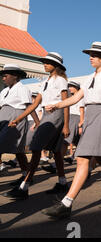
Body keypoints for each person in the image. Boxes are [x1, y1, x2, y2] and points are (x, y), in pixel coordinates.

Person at [40, 42, 101, 219]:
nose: (90, 57)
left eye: (95, 55)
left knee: (82, 158)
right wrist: (57, 105)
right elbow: (75, 98)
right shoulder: (89, 78)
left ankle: (66, 203)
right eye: (90, 54)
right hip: (91, 115)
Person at [4, 53, 70, 199]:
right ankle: (63, 182)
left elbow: (66, 104)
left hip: (56, 114)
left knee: (35, 147)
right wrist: (19, 119)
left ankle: (24, 187)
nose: (44, 64)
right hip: (47, 115)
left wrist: (66, 125)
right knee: (57, 151)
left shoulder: (60, 81)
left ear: (56, 65)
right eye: (44, 62)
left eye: (48, 62)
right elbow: (35, 104)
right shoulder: (46, 81)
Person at [0, 65, 38, 186]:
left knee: (15, 148)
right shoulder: (5, 91)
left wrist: (37, 122)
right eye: (2, 75)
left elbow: (30, 106)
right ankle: (25, 174)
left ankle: (24, 175)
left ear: (15, 76)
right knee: (18, 151)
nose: (3, 78)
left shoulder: (22, 89)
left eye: (6, 75)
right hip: (3, 117)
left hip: (15, 118)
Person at [60, 81, 85, 165]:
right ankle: (77, 158)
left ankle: (57, 163)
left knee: (65, 140)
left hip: (75, 119)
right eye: (69, 86)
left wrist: (81, 124)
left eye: (71, 87)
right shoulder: (72, 97)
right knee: (77, 142)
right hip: (70, 118)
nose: (69, 88)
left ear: (76, 88)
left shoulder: (80, 98)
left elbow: (82, 111)